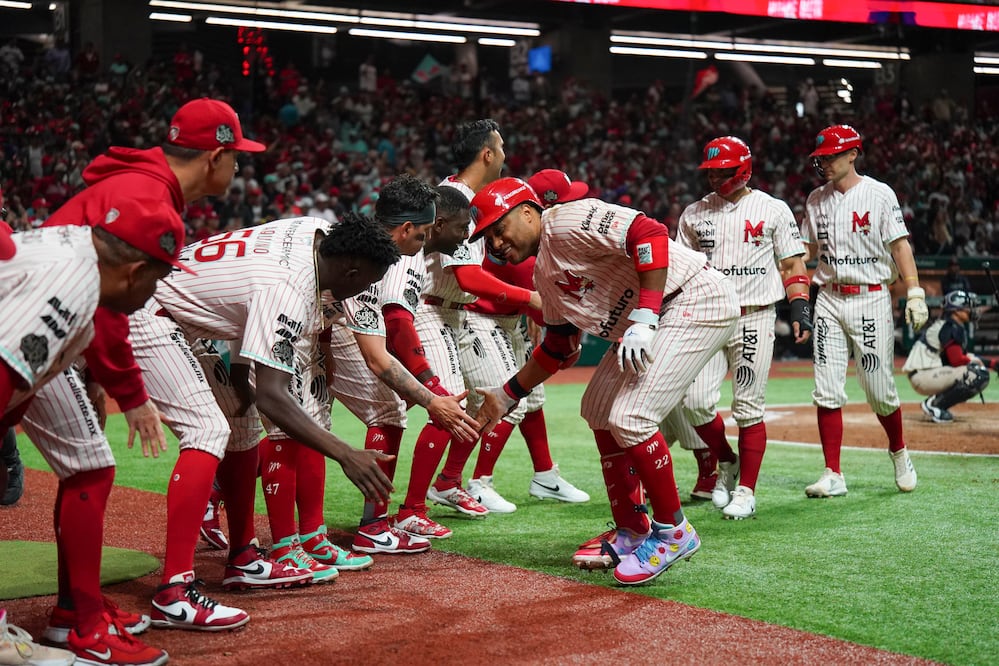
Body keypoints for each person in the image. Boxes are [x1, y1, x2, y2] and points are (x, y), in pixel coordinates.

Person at [18, 98, 270, 658]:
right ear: (217, 155)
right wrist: (130, 394)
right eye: (237, 157)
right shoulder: (147, 197)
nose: (239, 169)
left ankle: (75, 610)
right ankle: (168, 592)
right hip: (43, 319)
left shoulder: (142, 185)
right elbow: (108, 299)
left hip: (51, 316)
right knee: (204, 428)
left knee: (87, 465)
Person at [126, 212, 400, 630]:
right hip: (152, 313)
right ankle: (174, 591)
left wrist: (238, 372)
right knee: (208, 430)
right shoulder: (290, 288)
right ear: (350, 269)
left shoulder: (313, 230)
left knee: (241, 427)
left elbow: (242, 293)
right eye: (366, 282)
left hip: (185, 313)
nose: (362, 292)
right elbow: (274, 395)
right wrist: (345, 453)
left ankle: (243, 558)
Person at [471, 177, 739, 585]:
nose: (495, 243)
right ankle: (633, 529)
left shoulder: (566, 220)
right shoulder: (543, 270)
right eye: (487, 237)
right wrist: (507, 394)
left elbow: (649, 232)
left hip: (690, 297)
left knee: (631, 417)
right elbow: (559, 346)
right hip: (656, 316)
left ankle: (674, 532)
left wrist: (645, 317)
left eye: (498, 229)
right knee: (596, 409)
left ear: (526, 211)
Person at [2, 198, 187, 666]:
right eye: (157, 279)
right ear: (135, 271)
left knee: (91, 465)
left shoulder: (87, 265)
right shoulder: (69, 285)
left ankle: (77, 615)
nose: (154, 294)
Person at [257, 177, 477, 557]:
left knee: (306, 420)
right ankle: (291, 543)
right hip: (246, 311)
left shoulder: (353, 241)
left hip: (287, 315)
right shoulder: (373, 261)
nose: (425, 243)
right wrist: (432, 397)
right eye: (423, 234)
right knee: (270, 426)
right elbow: (379, 352)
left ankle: (312, 536)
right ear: (407, 228)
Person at [673, 136, 812, 519]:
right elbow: (681, 270)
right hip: (707, 316)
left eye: (723, 171)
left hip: (754, 315)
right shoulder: (693, 214)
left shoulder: (772, 209)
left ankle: (746, 491)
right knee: (695, 402)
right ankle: (727, 461)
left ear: (743, 169)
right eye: (711, 172)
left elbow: (791, 264)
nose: (715, 178)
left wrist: (800, 306)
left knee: (748, 407)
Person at [458, 167, 594, 514]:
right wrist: (563, 341)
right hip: (482, 319)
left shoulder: (530, 235)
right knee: (505, 399)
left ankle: (545, 475)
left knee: (532, 398)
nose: (572, 205)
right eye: (565, 200)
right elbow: (540, 301)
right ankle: (473, 481)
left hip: (507, 319)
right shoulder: (522, 244)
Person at [800, 124, 926, 498]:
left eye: (831, 156)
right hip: (829, 297)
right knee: (826, 388)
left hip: (871, 296)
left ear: (853, 154)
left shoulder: (879, 193)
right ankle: (832, 472)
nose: (824, 163)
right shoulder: (815, 199)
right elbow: (806, 253)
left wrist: (914, 290)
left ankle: (899, 451)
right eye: (820, 158)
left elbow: (900, 246)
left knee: (878, 388)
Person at [903, 290, 995, 423]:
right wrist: (978, 362)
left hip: (926, 374)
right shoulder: (950, 327)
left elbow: (962, 356)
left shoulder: (949, 325)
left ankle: (936, 403)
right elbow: (957, 360)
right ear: (957, 311)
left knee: (975, 369)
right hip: (924, 376)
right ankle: (935, 404)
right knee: (976, 374)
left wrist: (991, 363)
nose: (971, 310)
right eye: (967, 307)